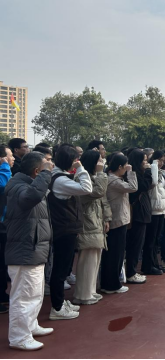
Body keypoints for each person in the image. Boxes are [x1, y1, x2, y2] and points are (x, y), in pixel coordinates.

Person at [4, 152, 54, 351]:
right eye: (45, 167)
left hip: (33, 248)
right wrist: (46, 174)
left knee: (34, 292)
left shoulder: (27, 184)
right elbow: (30, 197)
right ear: (36, 171)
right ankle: (19, 337)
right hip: (25, 249)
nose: (49, 168)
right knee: (24, 296)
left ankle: (30, 326)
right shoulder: (19, 187)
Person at [48, 145, 94, 321]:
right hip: (64, 228)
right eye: (76, 159)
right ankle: (57, 307)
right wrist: (81, 169)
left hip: (66, 227)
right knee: (60, 270)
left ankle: (59, 303)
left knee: (63, 268)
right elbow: (87, 188)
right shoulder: (60, 180)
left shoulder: (59, 176)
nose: (78, 161)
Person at [72, 150, 111, 306]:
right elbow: (98, 192)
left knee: (95, 258)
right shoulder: (82, 178)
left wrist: (107, 218)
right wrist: (101, 174)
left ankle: (90, 290)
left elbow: (103, 199)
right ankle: (82, 294)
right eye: (99, 160)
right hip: (87, 222)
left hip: (96, 221)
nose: (102, 163)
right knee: (87, 260)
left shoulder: (93, 177)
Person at [101, 154, 137, 294]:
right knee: (115, 254)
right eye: (125, 165)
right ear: (120, 166)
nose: (127, 168)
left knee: (114, 253)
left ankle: (109, 283)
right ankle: (112, 285)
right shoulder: (114, 180)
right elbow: (133, 187)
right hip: (117, 220)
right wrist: (131, 172)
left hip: (117, 219)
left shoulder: (112, 178)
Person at [125, 150, 153, 284]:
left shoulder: (137, 173)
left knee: (138, 244)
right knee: (134, 244)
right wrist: (148, 171)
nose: (146, 163)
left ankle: (132, 270)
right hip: (137, 213)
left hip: (141, 212)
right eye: (144, 160)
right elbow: (144, 186)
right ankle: (131, 272)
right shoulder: (133, 174)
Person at [142, 151, 165, 276]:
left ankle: (155, 263)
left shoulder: (161, 173)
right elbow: (153, 183)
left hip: (161, 208)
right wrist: (153, 166)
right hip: (153, 209)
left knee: (156, 239)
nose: (161, 163)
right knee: (150, 240)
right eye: (159, 160)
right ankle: (148, 265)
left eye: (163, 160)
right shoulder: (150, 171)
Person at [0, 146, 15, 314]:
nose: (13, 159)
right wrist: (4, 166)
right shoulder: (3, 172)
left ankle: (2, 294)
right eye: (10, 156)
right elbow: (4, 186)